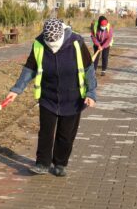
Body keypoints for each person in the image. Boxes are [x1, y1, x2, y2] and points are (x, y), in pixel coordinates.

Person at [6, 18, 98, 177]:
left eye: (55, 44)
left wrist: (91, 93)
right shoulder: (39, 44)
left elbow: (89, 70)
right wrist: (17, 89)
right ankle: (42, 163)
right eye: (50, 44)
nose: (53, 48)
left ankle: (60, 164)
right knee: (46, 132)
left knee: (66, 134)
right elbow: (29, 69)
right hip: (48, 96)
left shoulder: (76, 43)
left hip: (73, 97)